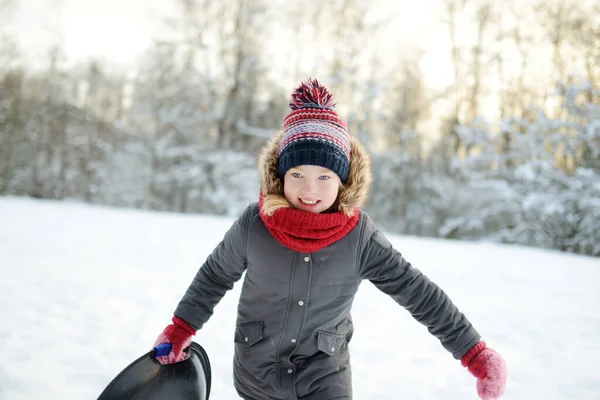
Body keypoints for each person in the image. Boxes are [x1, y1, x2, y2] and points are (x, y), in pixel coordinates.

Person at [153, 78, 507, 400]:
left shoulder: (359, 236)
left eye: (324, 176)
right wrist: (180, 327)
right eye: (297, 174)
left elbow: (418, 293)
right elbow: (215, 276)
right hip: (258, 374)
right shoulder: (255, 225)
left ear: (343, 180)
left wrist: (473, 352)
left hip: (325, 378)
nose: (309, 190)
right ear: (279, 174)